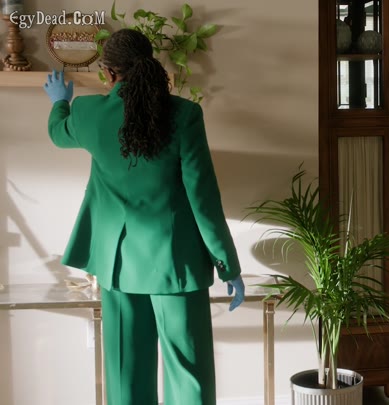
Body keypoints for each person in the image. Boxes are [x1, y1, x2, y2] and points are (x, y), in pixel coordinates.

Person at [42, 28, 245, 404]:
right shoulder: (185, 115)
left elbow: (58, 133)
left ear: (108, 73)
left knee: (126, 376)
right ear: (151, 62)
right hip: (176, 266)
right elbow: (203, 199)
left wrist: (60, 102)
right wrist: (227, 266)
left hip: (118, 266)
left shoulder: (88, 113)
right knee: (188, 376)